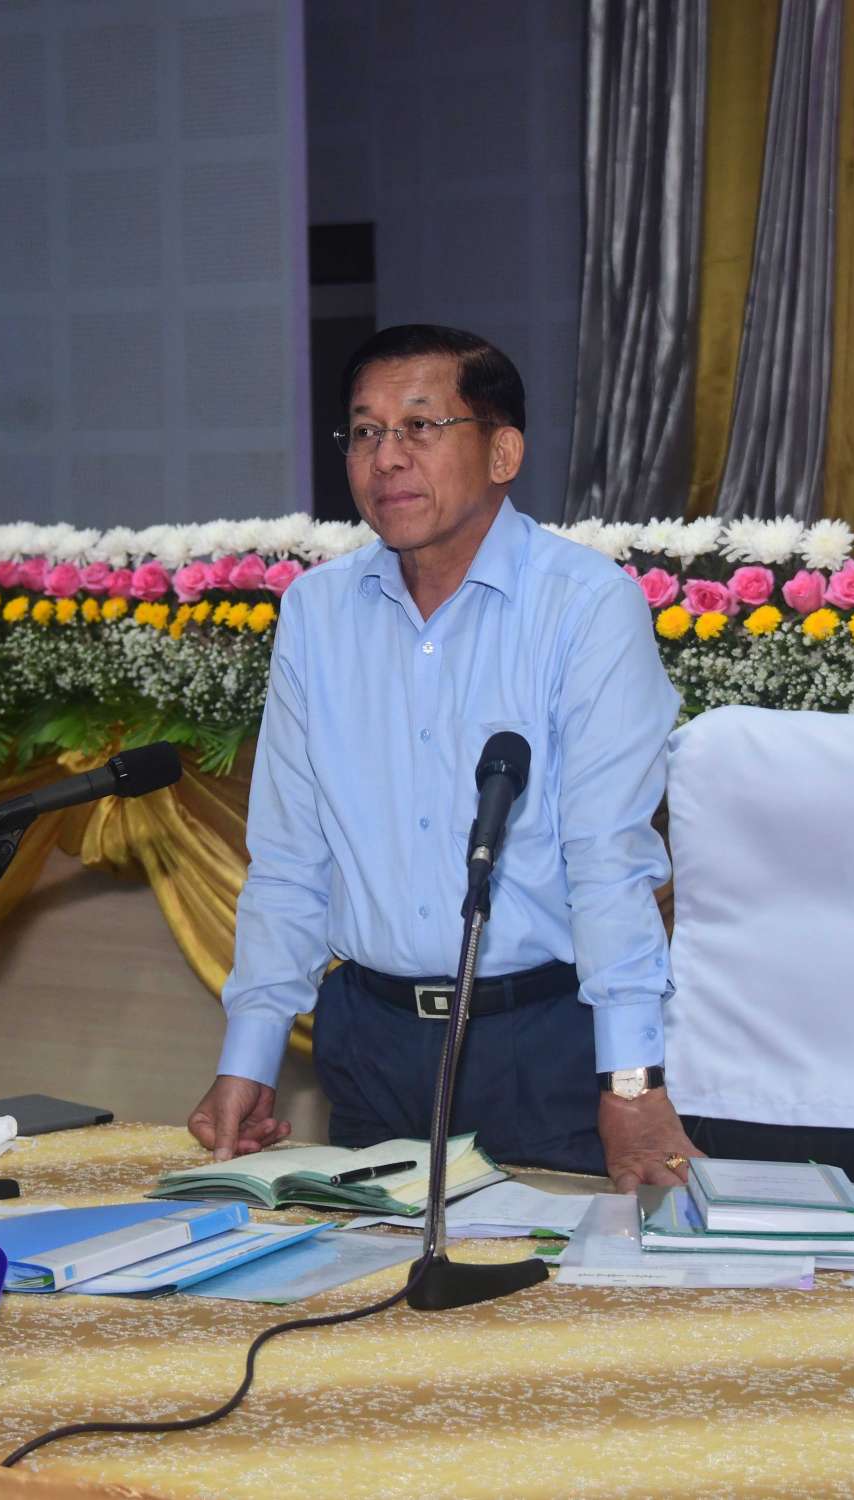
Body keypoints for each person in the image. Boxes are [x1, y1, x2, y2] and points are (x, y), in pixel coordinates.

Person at [187, 324, 699, 1193]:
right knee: (368, 1277)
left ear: (502, 453)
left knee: (551, 1281)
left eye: (420, 427)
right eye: (365, 432)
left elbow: (608, 858)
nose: (386, 458)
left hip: (538, 1044)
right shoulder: (317, 613)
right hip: (370, 1045)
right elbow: (290, 858)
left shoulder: (584, 607)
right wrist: (251, 1053)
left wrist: (630, 1080)